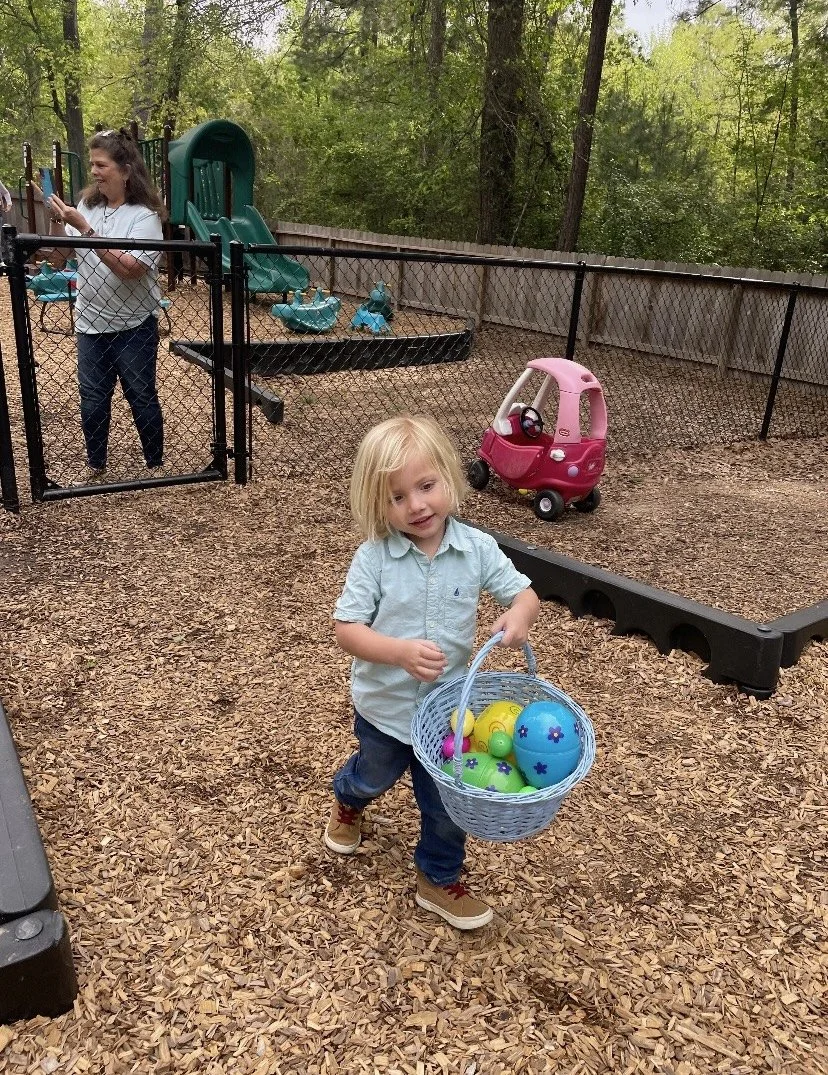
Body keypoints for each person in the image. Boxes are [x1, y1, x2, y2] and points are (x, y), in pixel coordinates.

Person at [326, 414, 540, 930]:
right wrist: (397, 652)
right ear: (378, 503)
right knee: (375, 774)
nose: (417, 505)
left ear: (449, 476)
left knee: (447, 803)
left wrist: (519, 616)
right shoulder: (374, 558)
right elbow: (346, 630)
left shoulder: (477, 549)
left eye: (426, 486)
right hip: (385, 708)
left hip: (450, 714)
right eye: (398, 496)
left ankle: (438, 877)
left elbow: (525, 593)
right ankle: (349, 796)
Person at [42, 128, 167, 476]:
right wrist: (58, 222)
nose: (95, 172)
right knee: (94, 400)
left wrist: (85, 230)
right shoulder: (86, 207)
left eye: (102, 165)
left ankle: (154, 463)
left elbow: (131, 270)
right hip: (90, 323)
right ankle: (96, 464)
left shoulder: (144, 216)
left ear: (125, 170)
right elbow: (59, 257)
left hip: (134, 325)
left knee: (140, 395)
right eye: (93, 165)